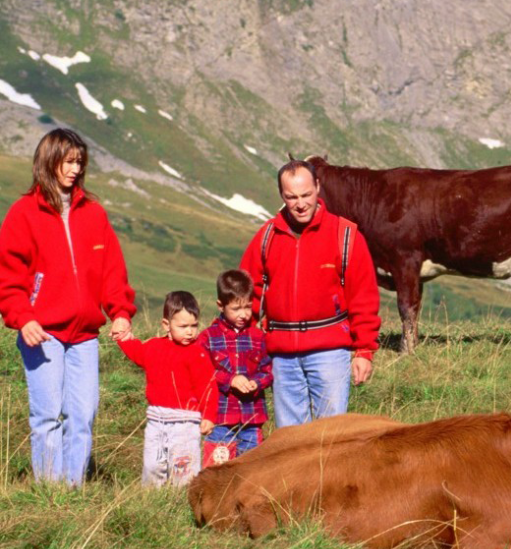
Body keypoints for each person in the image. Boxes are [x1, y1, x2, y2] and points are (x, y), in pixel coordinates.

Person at [0, 128, 135, 485]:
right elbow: (9, 277)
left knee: (83, 413)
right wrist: (22, 318)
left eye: (80, 162)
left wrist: (120, 312)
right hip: (41, 333)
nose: (75, 169)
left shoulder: (93, 214)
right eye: (68, 161)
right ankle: (49, 490)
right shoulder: (23, 213)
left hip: (85, 335)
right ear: (49, 161)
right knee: (46, 415)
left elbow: (112, 272)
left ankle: (73, 489)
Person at [240, 159, 380, 427]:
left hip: (329, 354)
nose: (300, 203)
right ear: (282, 195)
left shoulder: (346, 234)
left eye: (306, 195)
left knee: (332, 437)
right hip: (281, 356)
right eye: (291, 197)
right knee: (289, 441)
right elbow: (245, 295)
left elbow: (364, 297)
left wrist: (364, 350)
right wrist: (243, 344)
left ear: (318, 187)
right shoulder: (267, 236)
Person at [118, 291, 214, 487]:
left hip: (186, 423)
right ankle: (152, 500)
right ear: (166, 325)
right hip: (156, 421)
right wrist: (123, 339)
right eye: (183, 326)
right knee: (153, 465)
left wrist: (209, 416)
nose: (190, 332)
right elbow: (137, 352)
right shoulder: (153, 347)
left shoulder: (198, 353)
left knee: (184, 468)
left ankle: (183, 500)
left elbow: (208, 386)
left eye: (194, 326)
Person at [198, 269, 272, 465]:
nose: (244, 314)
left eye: (248, 307)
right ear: (221, 305)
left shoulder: (258, 337)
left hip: (252, 419)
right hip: (220, 419)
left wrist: (257, 383)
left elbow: (268, 370)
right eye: (236, 308)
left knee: (251, 470)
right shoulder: (208, 337)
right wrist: (230, 380)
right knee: (217, 470)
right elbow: (201, 373)